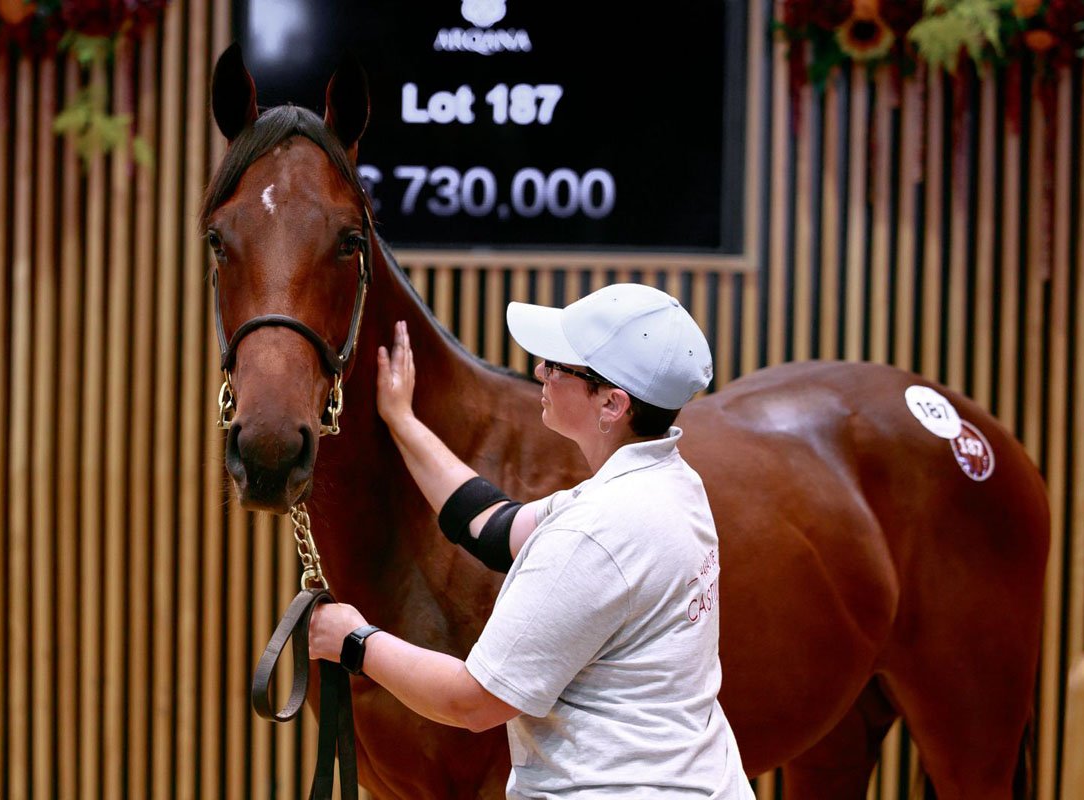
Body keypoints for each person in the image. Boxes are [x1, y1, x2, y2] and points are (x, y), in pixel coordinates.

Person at [309, 283, 752, 799]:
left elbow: (473, 702)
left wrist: (355, 641)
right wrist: (403, 423)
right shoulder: (670, 484)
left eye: (559, 366)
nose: (540, 370)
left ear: (612, 404)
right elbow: (494, 527)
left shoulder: (593, 533)